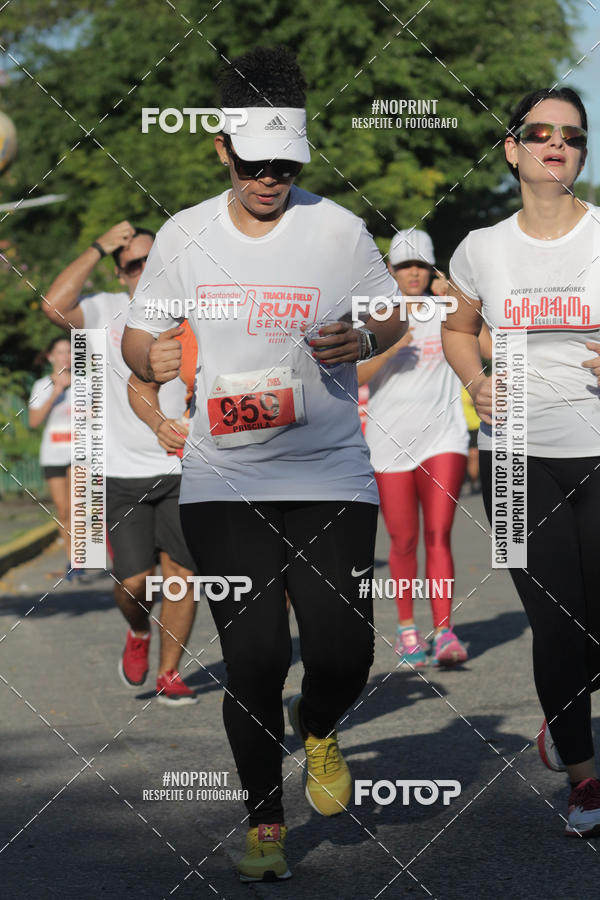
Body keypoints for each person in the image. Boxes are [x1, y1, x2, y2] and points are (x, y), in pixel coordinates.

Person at [121, 46, 405, 882]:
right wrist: (153, 359)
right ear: (222, 150)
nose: (269, 178)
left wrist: (367, 336)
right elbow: (139, 336)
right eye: (254, 164)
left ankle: (318, 728)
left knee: (344, 650)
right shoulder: (183, 234)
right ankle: (265, 825)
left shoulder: (338, 228)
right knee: (251, 660)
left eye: (285, 163)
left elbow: (391, 313)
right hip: (224, 479)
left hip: (330, 472)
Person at [443, 86, 600, 837]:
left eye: (572, 134)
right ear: (512, 148)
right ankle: (583, 775)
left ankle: (565, 713)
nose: (556, 143)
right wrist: (476, 381)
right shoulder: (481, 248)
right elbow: (457, 330)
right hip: (508, 460)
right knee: (557, 623)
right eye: (539, 132)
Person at [43, 223, 198, 705]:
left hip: (183, 466)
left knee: (182, 575)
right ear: (120, 270)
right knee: (133, 583)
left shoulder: (189, 310)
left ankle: (169, 673)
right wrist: (99, 245)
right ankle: (138, 632)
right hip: (120, 470)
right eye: (133, 264)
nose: (143, 271)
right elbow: (52, 306)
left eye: (152, 262)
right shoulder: (104, 310)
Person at [359, 229, 471, 667]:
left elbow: (488, 345)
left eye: (420, 266)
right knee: (402, 541)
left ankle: (445, 633)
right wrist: (390, 349)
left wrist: (459, 296)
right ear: (390, 269)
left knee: (438, 533)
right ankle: (408, 632)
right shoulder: (375, 315)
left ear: (430, 270)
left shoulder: (447, 309)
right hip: (388, 439)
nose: (412, 273)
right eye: (404, 265)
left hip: (443, 435)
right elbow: (357, 377)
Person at [28, 336, 75, 576]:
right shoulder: (41, 385)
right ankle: (72, 560)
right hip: (53, 454)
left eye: (69, 352)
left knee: (82, 507)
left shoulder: (85, 384)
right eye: (60, 352)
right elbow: (34, 421)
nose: (65, 357)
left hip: (81, 453)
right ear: (50, 357)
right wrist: (56, 390)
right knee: (63, 510)